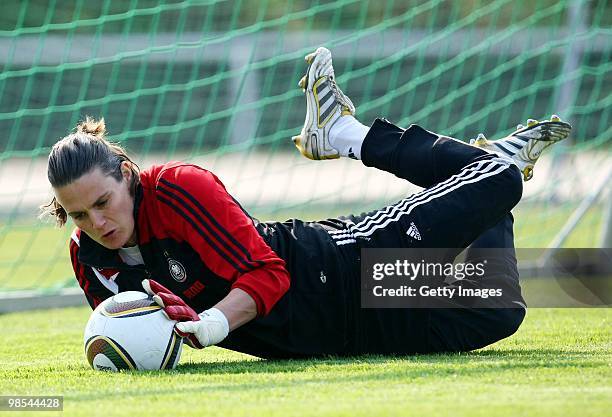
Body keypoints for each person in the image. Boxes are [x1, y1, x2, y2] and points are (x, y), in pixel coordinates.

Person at [43, 47, 571, 358]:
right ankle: (472, 173)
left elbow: (269, 275)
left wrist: (212, 325)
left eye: (103, 202)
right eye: (79, 214)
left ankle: (346, 135)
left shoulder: (180, 188)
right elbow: (141, 334)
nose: (96, 222)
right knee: (500, 309)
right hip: (346, 331)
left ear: (127, 175)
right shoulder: (89, 257)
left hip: (345, 263)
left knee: (501, 179)